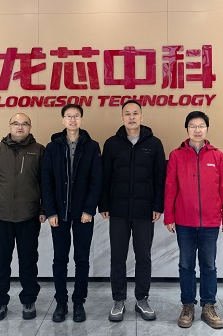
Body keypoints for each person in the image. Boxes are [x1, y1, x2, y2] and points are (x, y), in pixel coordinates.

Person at [164, 111, 223, 329]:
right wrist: (169, 216)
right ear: (187, 129)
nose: (197, 130)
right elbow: (170, 187)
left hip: (210, 222)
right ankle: (187, 305)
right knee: (186, 265)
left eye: (201, 126)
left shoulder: (217, 156)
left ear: (207, 129)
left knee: (209, 266)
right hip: (184, 221)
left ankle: (208, 306)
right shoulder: (176, 155)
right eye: (193, 126)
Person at [99, 100, 166, 322]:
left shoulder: (154, 144)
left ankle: (142, 299)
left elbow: (160, 178)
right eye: (127, 114)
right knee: (117, 256)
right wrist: (104, 204)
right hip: (118, 210)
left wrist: (158, 205)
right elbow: (105, 177)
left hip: (144, 211)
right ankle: (118, 300)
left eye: (135, 113)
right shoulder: (111, 144)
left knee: (143, 256)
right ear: (122, 118)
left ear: (142, 117)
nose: (131, 117)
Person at [0, 113, 46, 321]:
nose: (20, 127)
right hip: (0, 216)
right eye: (16, 123)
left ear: (30, 127)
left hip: (29, 216)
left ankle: (29, 299)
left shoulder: (39, 150)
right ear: (9, 126)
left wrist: (43, 209)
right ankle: (0, 301)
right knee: (0, 262)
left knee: (28, 261)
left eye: (24, 124)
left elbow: (46, 183)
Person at [41, 104, 103, 323]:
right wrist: (50, 211)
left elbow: (97, 180)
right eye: (69, 116)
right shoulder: (52, 147)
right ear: (63, 120)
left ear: (81, 119)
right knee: (60, 260)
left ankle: (78, 302)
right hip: (59, 214)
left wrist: (89, 209)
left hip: (83, 214)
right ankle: (61, 302)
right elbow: (46, 181)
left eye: (76, 116)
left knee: (82, 260)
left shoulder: (92, 146)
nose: (73, 120)